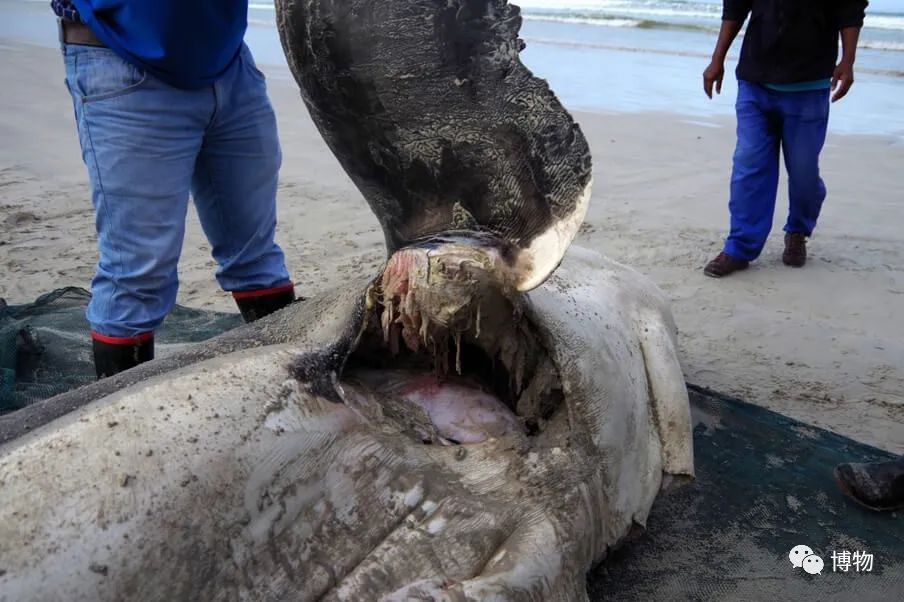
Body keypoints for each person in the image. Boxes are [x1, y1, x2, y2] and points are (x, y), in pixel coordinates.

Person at [51, 1, 296, 378]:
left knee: (257, 258)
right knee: (137, 275)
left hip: (228, 59)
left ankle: (294, 388)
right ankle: (124, 427)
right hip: (120, 58)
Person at [702, 0, 868, 278]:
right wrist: (717, 58)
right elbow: (735, 6)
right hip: (755, 80)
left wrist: (847, 60)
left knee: (803, 171)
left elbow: (850, 7)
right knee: (748, 163)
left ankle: (798, 230)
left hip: (809, 84)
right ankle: (739, 247)